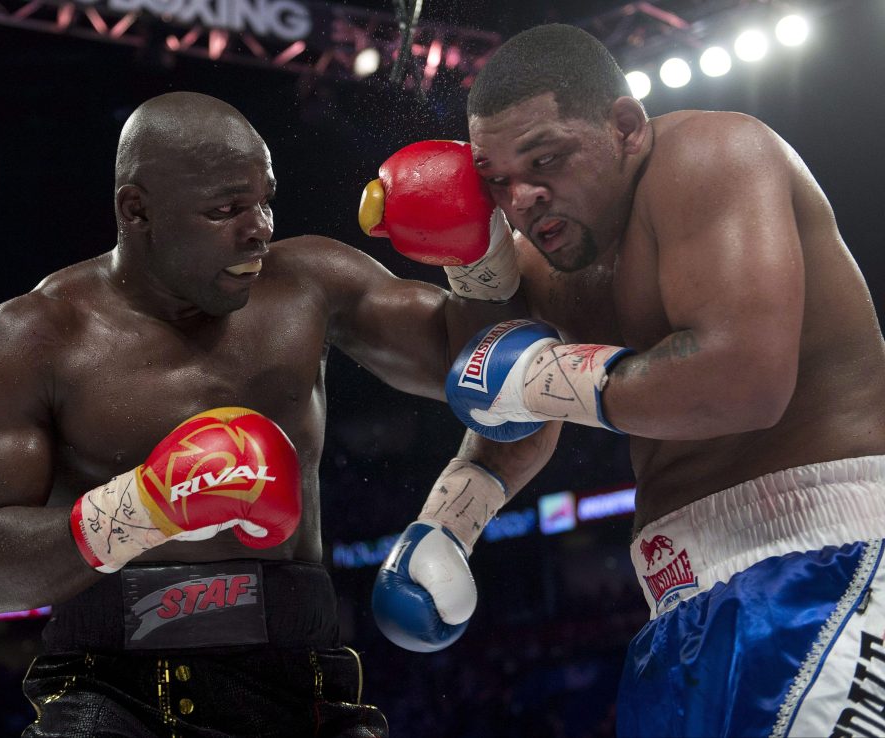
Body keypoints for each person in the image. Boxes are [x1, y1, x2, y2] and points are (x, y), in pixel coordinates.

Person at [0, 91, 521, 737]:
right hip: (113, 692)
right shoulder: (33, 338)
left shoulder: (307, 283)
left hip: (304, 684)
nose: (260, 226)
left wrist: (480, 255)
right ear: (137, 210)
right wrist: (146, 506)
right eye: (227, 209)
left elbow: (486, 371)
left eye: (265, 199)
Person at [371, 23, 885, 738]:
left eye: (545, 159)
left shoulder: (711, 155)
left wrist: (545, 374)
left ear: (625, 127)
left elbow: (744, 382)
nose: (522, 198)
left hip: (827, 559)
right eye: (497, 183)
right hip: (678, 605)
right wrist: (445, 527)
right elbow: (510, 400)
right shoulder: (549, 264)